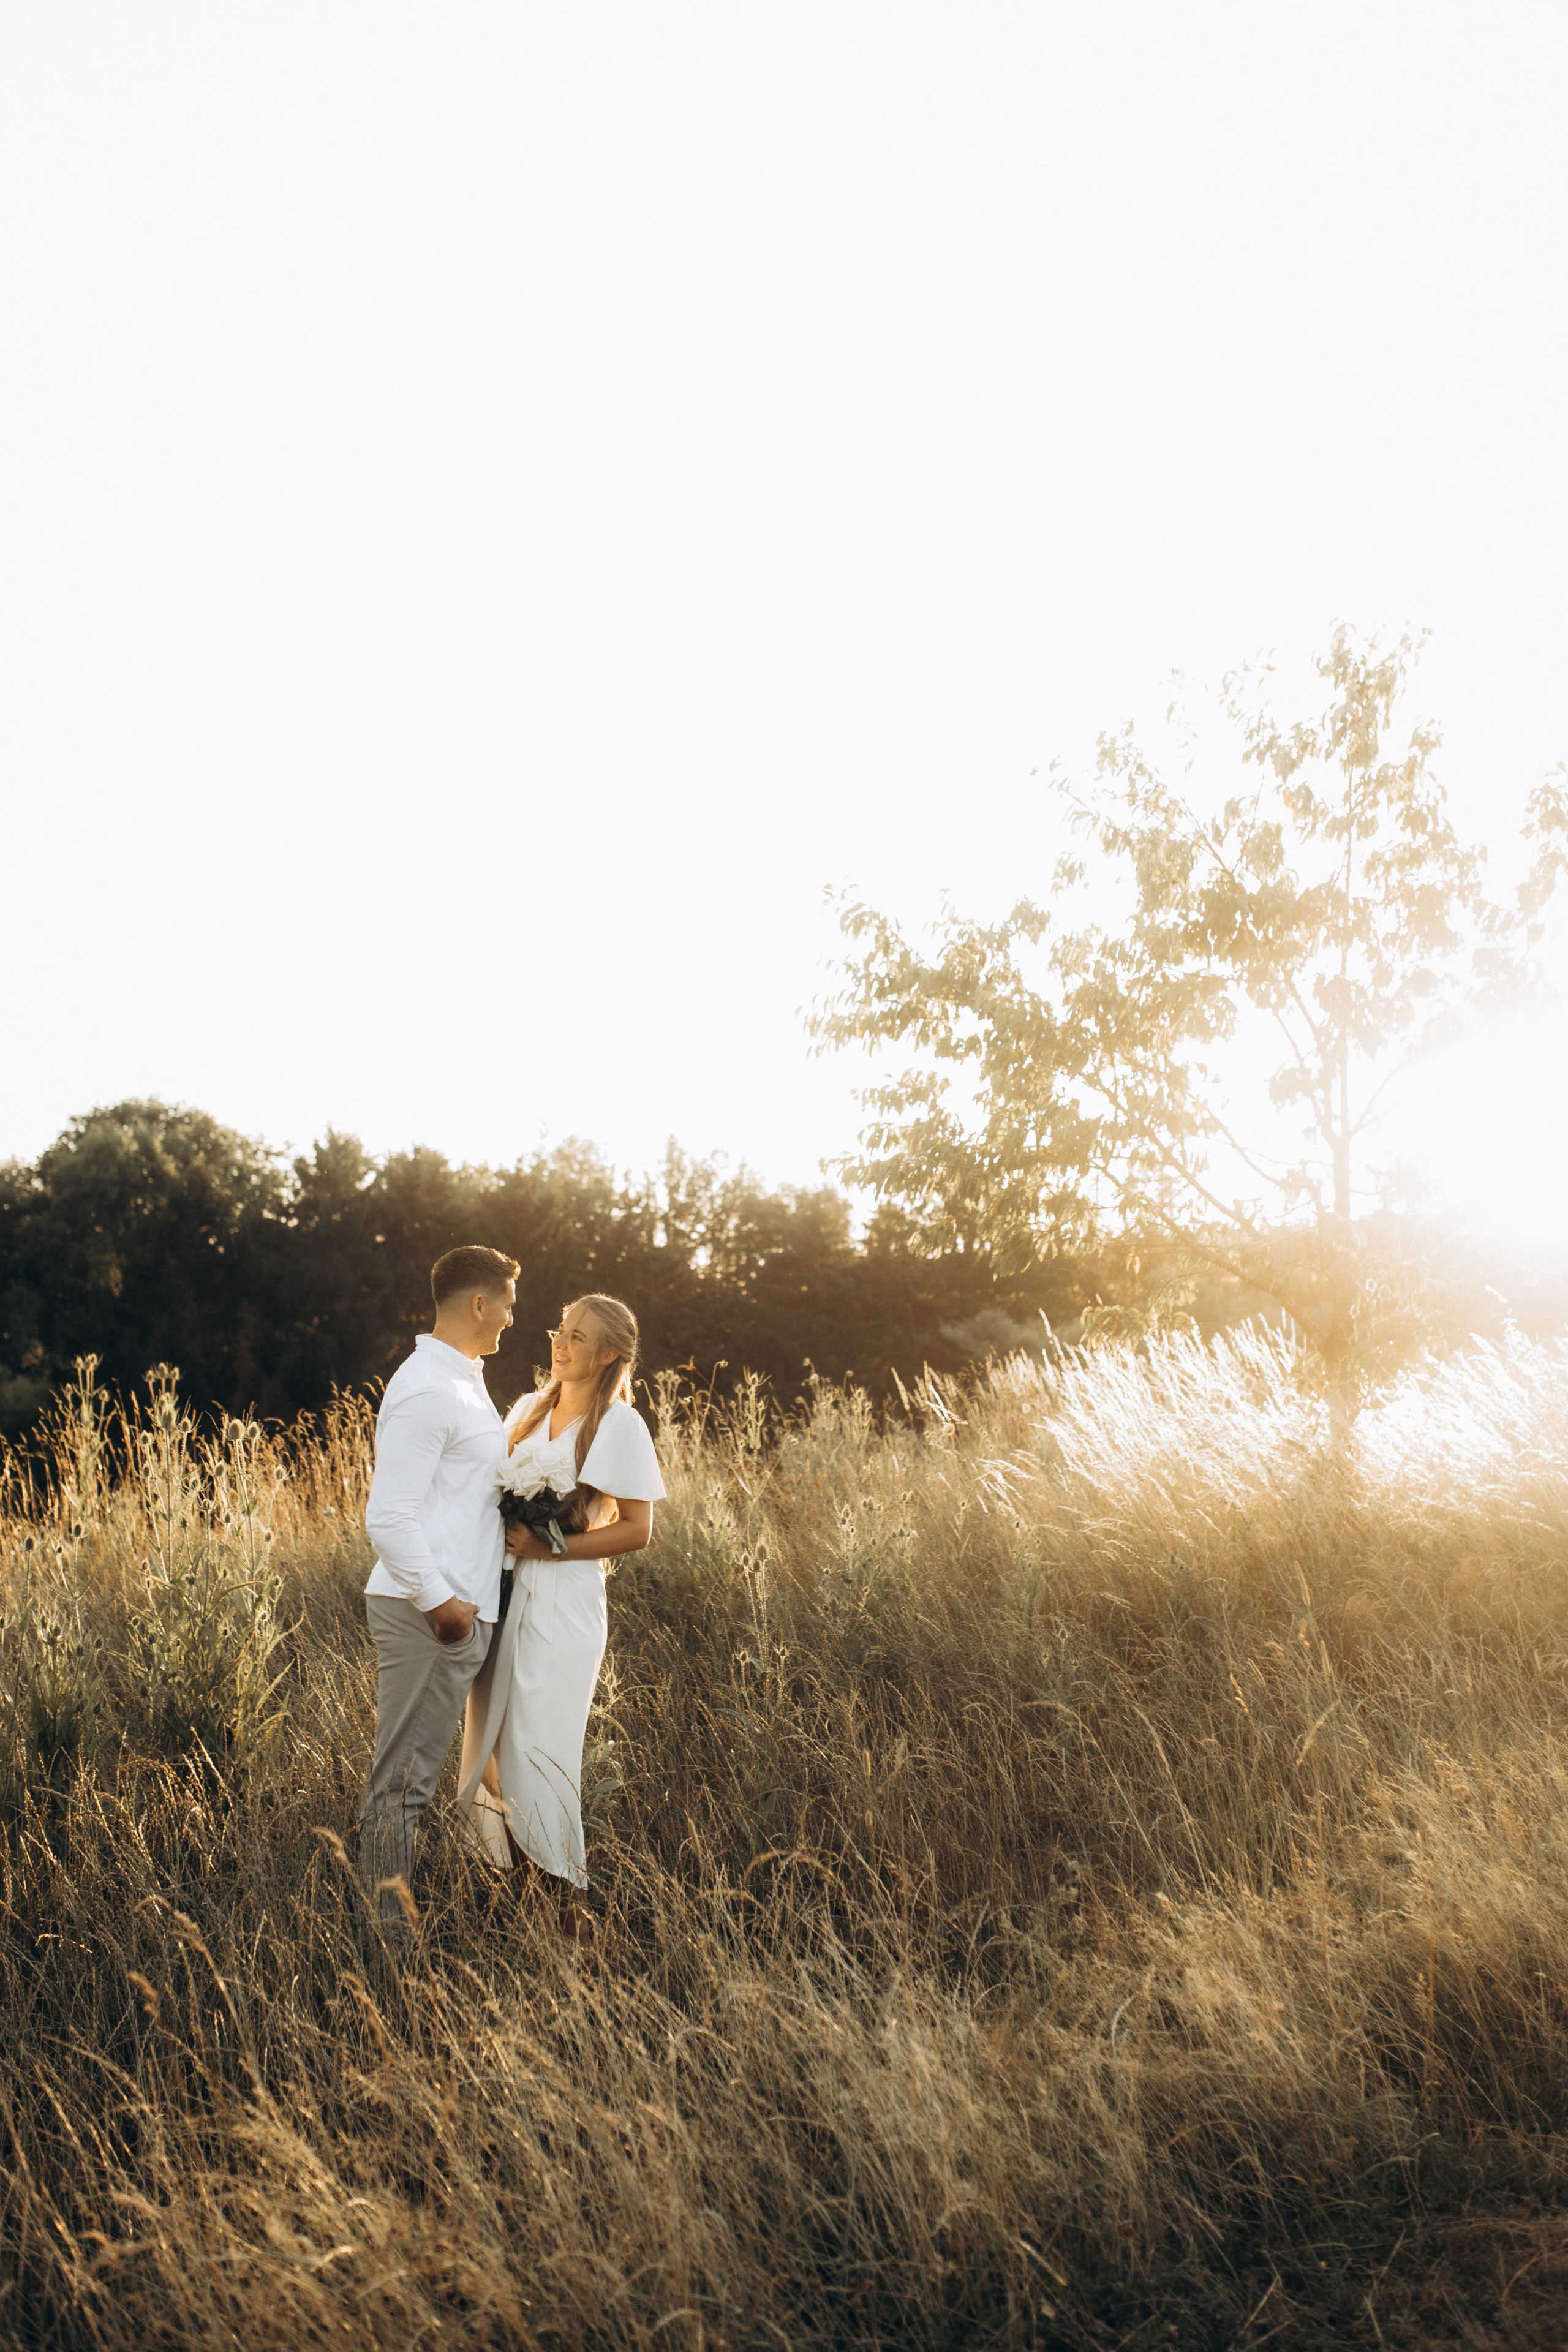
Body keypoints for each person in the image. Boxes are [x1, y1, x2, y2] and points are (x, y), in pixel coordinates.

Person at [458, 1293, 664, 1931]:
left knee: (538, 1756)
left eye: (578, 1336)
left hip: (563, 1606)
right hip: (503, 1593)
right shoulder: (526, 1409)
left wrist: (548, 1545)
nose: (561, 1342)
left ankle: (568, 1916)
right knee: (489, 1749)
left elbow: (636, 1531)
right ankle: (525, 1905)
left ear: (608, 1355)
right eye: (560, 1329)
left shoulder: (618, 1426)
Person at [358, 1244, 519, 1923]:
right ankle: (389, 1967)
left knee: (410, 1788)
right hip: (430, 1616)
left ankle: (392, 1953)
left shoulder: (462, 1380)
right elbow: (388, 1516)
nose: (513, 1318)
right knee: (401, 1793)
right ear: (479, 1303)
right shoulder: (429, 1387)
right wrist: (445, 1608)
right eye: (509, 1303)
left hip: (454, 1612)